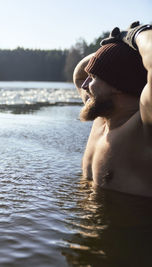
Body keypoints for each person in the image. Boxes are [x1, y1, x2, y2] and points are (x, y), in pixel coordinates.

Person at [72, 22, 152, 197]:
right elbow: (78, 74)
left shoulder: (144, 127)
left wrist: (137, 34)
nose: (85, 84)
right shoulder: (101, 114)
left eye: (93, 77)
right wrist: (117, 44)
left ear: (116, 86)